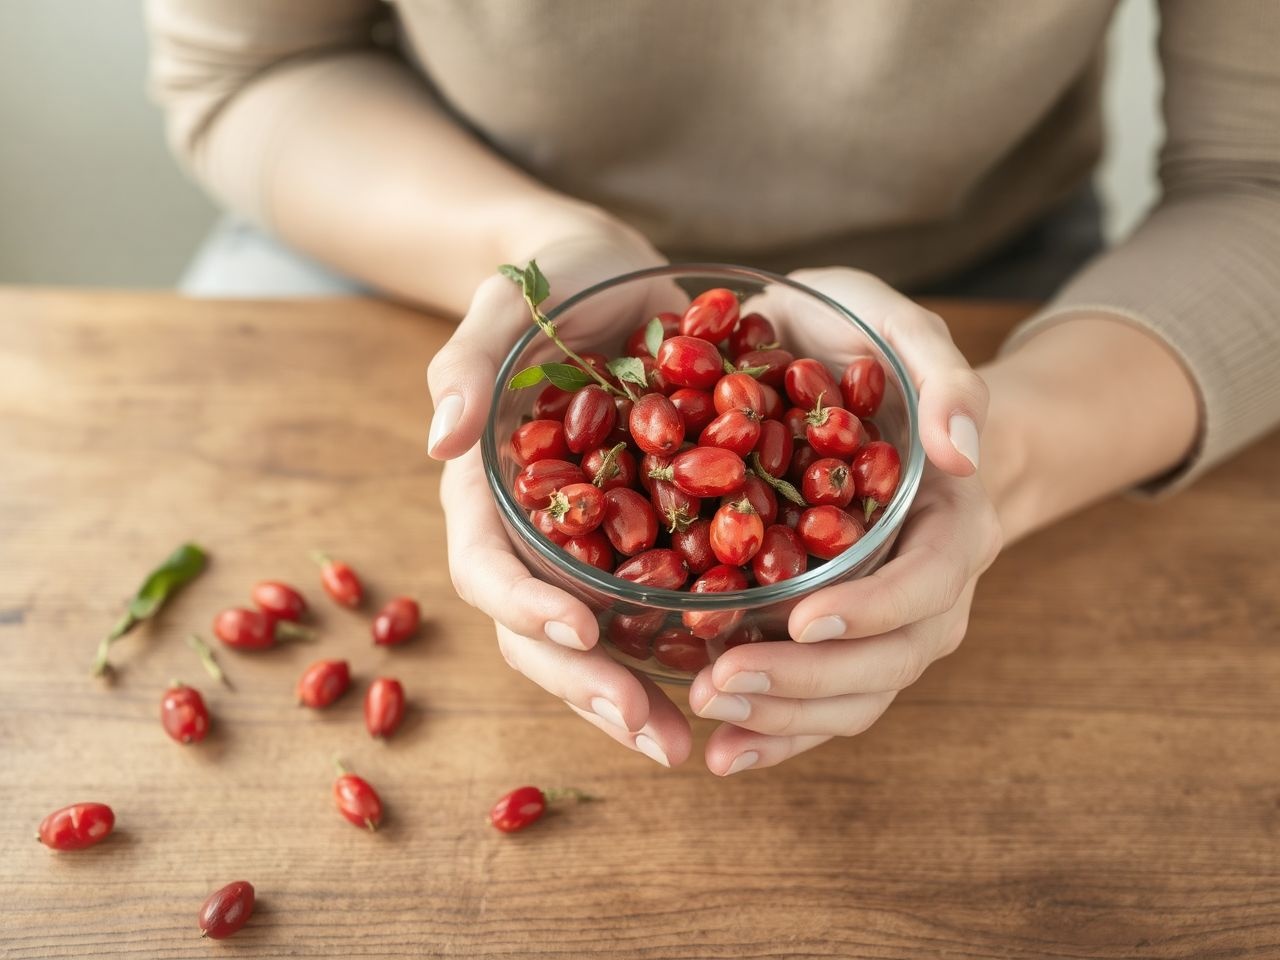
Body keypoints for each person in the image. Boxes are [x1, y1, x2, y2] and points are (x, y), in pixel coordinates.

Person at [147, 1, 1280, 775]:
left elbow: (1259, 183)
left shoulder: (719, 457)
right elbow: (249, 65)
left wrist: (1003, 451)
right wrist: (534, 251)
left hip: (991, 292)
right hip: (402, 222)